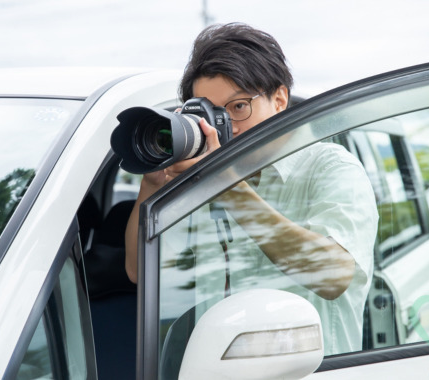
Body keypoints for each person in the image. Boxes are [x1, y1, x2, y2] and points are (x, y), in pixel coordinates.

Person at [124, 22, 378, 355]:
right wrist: (152, 185)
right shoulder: (195, 182)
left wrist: (227, 185)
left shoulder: (330, 167)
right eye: (211, 112)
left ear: (280, 100)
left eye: (238, 106)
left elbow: (332, 276)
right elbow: (140, 273)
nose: (225, 126)